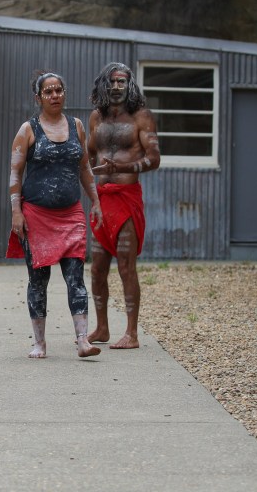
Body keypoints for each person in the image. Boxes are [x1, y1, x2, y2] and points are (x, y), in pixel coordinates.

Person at [6, 71, 103, 359]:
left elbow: (84, 168)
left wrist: (95, 201)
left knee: (76, 278)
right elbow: (15, 172)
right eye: (48, 91)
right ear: (38, 98)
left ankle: (83, 340)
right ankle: (39, 342)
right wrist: (16, 212)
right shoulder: (28, 130)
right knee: (38, 280)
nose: (55, 95)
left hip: (71, 214)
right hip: (36, 215)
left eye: (58, 90)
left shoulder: (76, 126)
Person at [87, 62, 160, 349]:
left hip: (127, 199)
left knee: (127, 267)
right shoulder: (96, 118)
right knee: (96, 269)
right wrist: (92, 187)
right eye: (112, 82)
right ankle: (102, 327)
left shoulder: (141, 117)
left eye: (122, 82)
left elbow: (154, 159)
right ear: (103, 85)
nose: (117, 87)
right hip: (102, 201)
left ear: (130, 85)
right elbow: (89, 157)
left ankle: (132, 333)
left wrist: (123, 165)